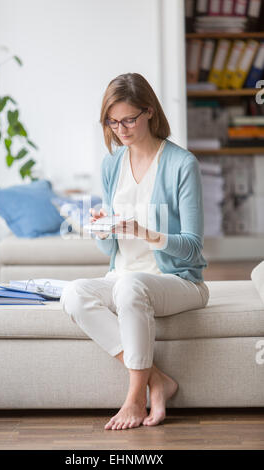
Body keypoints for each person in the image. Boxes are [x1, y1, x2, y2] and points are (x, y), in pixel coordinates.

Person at [61, 72, 209, 431]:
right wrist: (102, 226)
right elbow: (110, 249)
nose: (120, 129)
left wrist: (148, 233)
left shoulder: (181, 164)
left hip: (176, 280)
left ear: (149, 113)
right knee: (74, 293)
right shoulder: (112, 164)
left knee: (130, 288)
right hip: (122, 275)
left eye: (128, 119)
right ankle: (159, 379)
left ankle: (134, 396)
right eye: (112, 122)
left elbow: (193, 248)